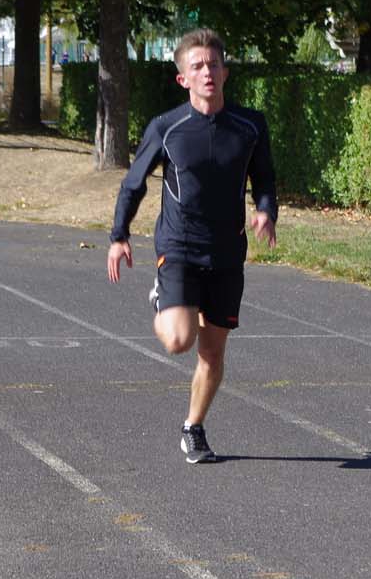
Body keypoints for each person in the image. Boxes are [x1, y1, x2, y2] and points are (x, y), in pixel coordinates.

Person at [106, 28, 277, 463]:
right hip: (179, 246)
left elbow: (265, 179)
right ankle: (165, 297)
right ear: (183, 78)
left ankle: (193, 427)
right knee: (179, 340)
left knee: (212, 353)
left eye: (213, 64)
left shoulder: (249, 126)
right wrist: (119, 235)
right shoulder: (167, 127)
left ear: (226, 72)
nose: (207, 72)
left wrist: (265, 210)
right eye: (197, 66)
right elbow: (133, 183)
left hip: (226, 252)